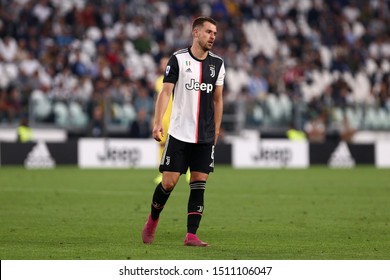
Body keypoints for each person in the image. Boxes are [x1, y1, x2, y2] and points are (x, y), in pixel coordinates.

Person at [142, 16, 225, 247]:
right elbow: (165, 92)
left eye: (215, 33)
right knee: (168, 183)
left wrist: (216, 130)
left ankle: (191, 235)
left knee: (199, 183)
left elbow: (218, 100)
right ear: (195, 33)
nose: (212, 37)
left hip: (205, 136)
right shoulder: (178, 59)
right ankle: (152, 220)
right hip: (179, 134)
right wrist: (158, 121)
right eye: (208, 32)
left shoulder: (217, 64)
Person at [152, 55, 190, 184]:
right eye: (162, 63)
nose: (164, 65)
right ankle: (161, 173)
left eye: (166, 63)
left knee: (185, 144)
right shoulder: (158, 81)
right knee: (161, 144)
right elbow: (158, 99)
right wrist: (156, 118)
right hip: (164, 117)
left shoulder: (179, 78)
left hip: (177, 116)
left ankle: (189, 170)